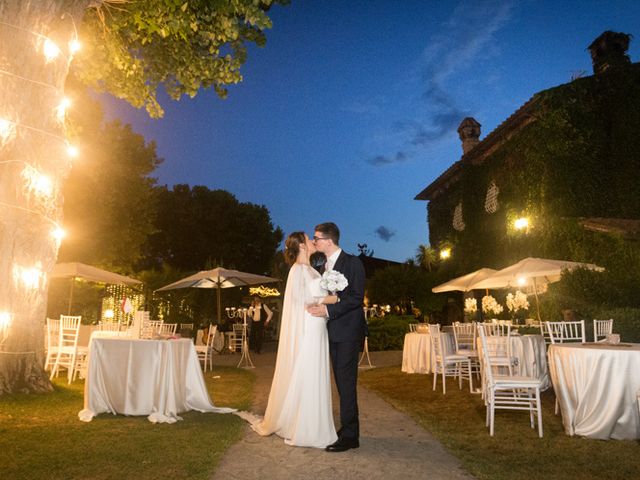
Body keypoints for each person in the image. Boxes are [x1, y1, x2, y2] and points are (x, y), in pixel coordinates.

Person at [251, 232, 338, 448]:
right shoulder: (297, 271)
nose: (312, 241)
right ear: (301, 245)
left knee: (315, 372)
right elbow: (304, 301)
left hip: (319, 327)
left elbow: (314, 297)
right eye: (309, 239)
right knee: (309, 372)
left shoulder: (311, 270)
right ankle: (305, 427)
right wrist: (337, 297)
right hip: (310, 328)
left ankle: (313, 423)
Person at [307, 222, 367, 453]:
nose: (314, 242)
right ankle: (347, 428)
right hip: (329, 333)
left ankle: (351, 436)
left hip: (348, 333)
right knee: (340, 383)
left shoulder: (353, 263)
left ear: (328, 241)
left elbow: (355, 298)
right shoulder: (322, 266)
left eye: (316, 238)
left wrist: (329, 311)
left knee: (346, 383)